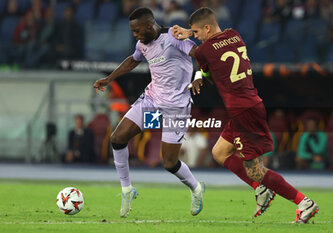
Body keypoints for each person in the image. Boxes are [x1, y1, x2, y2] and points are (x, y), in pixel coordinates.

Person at [172, 7, 319, 223]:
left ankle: (303, 202)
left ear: (207, 28)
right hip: (249, 105)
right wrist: (192, 37)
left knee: (255, 170)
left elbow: (207, 69)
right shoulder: (234, 35)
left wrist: (189, 49)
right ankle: (262, 190)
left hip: (243, 111)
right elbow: (214, 59)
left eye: (197, 32)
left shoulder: (204, 51)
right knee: (220, 152)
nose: (196, 36)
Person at [93, 7, 205, 218]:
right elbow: (133, 60)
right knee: (118, 138)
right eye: (132, 32)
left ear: (148, 25)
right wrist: (109, 78)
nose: (135, 35)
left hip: (176, 107)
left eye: (137, 31)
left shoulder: (173, 36)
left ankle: (196, 189)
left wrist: (198, 75)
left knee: (170, 163)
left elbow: (200, 55)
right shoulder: (142, 44)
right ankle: (127, 190)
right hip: (152, 102)